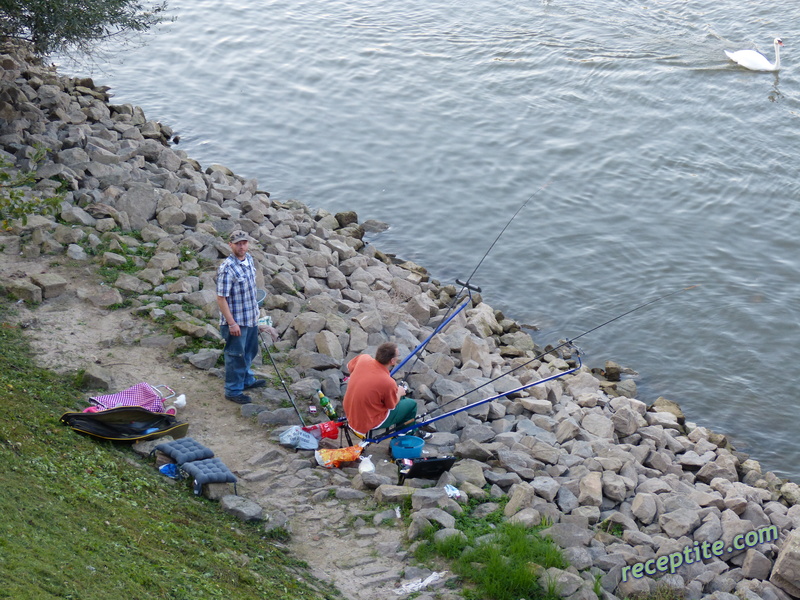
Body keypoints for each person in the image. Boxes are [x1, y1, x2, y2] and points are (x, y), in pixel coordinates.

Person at [216, 230, 266, 404]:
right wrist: (231, 323)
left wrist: (257, 317)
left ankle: (246, 380)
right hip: (236, 322)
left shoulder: (249, 259)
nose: (241, 246)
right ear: (230, 245)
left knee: (250, 352)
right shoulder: (226, 268)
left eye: (244, 242)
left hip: (250, 318)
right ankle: (233, 390)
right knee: (235, 356)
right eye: (238, 243)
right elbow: (221, 298)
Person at [342, 342, 418, 435]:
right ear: (392, 361)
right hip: (368, 422)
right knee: (411, 404)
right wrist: (399, 393)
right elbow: (391, 406)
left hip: (350, 412)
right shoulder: (388, 382)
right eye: (398, 356)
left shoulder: (363, 358)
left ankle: (405, 430)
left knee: (399, 398)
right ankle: (404, 438)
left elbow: (349, 367)